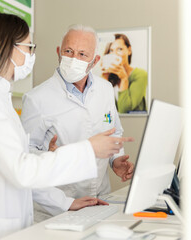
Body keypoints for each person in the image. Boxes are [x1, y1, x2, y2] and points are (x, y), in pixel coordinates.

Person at [0, 13, 130, 240]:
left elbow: (22, 168)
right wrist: (89, 149)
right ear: (8, 48)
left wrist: (65, 202)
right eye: (28, 47)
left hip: (13, 223)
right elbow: (22, 171)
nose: (31, 54)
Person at [21, 25, 135, 222]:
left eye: (83, 54)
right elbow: (25, 155)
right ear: (58, 52)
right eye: (68, 51)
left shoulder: (105, 89)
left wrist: (115, 159)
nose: (74, 59)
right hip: (58, 207)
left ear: (95, 60)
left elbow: (114, 132)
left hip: (99, 199)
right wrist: (50, 155)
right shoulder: (36, 98)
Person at [101, 33, 148, 113]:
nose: (115, 54)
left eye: (119, 49)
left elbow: (125, 111)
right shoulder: (108, 76)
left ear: (129, 50)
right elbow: (105, 110)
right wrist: (104, 79)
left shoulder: (140, 74)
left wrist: (124, 79)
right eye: (111, 50)